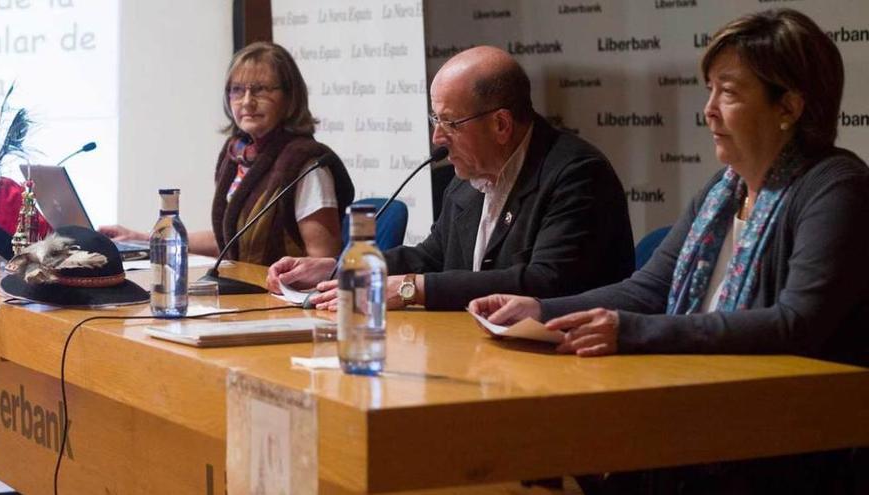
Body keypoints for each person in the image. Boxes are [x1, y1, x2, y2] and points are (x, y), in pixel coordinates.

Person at [470, 9, 867, 493]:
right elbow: (650, 287)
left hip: (781, 445)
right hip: (692, 413)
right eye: (709, 90)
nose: (709, 110)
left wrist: (634, 333)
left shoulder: (836, 187)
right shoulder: (723, 191)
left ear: (790, 107)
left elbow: (795, 323)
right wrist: (538, 311)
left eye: (730, 91)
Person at [267, 45, 634, 311]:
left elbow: (545, 283)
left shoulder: (576, 175)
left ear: (501, 124)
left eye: (450, 123)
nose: (437, 138)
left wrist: (412, 290)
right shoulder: (466, 179)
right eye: (435, 120)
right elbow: (431, 256)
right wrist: (340, 267)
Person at [101, 42, 354, 265]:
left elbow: (325, 262)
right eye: (237, 90)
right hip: (243, 293)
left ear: (290, 97)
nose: (246, 101)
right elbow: (230, 240)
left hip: (285, 303)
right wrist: (147, 240)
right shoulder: (237, 155)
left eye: (261, 89)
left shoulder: (306, 164)